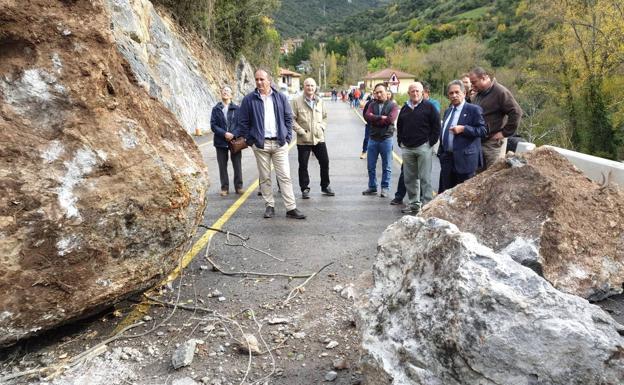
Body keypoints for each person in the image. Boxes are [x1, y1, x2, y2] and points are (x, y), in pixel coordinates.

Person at [237, 69, 306, 219]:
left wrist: (287, 138)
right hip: (260, 145)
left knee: (285, 176)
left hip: (279, 143)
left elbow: (289, 119)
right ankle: (269, 206)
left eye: (262, 79)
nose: (259, 82)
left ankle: (291, 208)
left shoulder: (280, 97)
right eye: (257, 80)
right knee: (265, 177)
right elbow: (243, 122)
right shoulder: (249, 100)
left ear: (269, 81)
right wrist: (251, 141)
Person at [396, 82, 440, 214]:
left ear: (422, 92)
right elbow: (399, 126)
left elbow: (436, 126)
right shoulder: (405, 108)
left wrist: (430, 143)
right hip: (407, 148)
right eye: (412, 91)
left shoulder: (429, 107)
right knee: (409, 178)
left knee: (425, 178)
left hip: (423, 147)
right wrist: (400, 142)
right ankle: (414, 204)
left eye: (417, 91)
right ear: (409, 93)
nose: (415, 93)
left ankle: (427, 206)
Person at [437, 80, 487, 193]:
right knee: (446, 194)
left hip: (465, 161)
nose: (454, 95)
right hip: (447, 159)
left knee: (463, 196)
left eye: (457, 92)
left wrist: (464, 129)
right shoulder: (448, 111)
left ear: (464, 93)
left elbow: (483, 130)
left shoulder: (473, 110)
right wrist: (441, 153)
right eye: (451, 93)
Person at [469, 67, 523, 169]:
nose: (472, 85)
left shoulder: (500, 92)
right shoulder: (479, 94)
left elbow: (516, 112)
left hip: (492, 145)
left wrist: (504, 133)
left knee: (492, 175)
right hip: (478, 142)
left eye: (474, 82)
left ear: (484, 78)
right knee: (476, 179)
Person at [291, 78, 335, 199]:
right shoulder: (296, 101)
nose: (310, 88)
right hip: (303, 139)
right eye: (307, 85)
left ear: (315, 87)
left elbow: (325, 117)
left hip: (318, 138)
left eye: (312, 85)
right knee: (303, 165)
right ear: (303, 86)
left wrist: (322, 127)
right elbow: (291, 119)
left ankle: (325, 186)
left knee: (325, 162)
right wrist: (300, 131)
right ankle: (304, 188)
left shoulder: (320, 101)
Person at [362, 83, 399, 197]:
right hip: (373, 139)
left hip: (386, 139)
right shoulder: (371, 104)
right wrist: (380, 117)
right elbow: (367, 117)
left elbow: (390, 120)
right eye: (376, 92)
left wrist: (375, 119)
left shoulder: (393, 105)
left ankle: (385, 188)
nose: (378, 94)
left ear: (386, 93)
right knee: (370, 166)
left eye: (381, 92)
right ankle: (372, 187)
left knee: (387, 166)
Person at [210, 85, 243, 196]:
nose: (225, 92)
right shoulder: (216, 109)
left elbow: (240, 125)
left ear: (231, 95)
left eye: (228, 91)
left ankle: (239, 187)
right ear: (221, 93)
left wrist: (233, 134)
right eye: (224, 91)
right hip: (220, 141)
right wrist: (224, 134)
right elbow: (213, 126)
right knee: (222, 166)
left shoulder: (237, 109)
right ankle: (224, 188)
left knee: (237, 164)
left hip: (235, 141)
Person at [360, 93, 373, 159]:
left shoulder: (384, 103)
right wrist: (368, 121)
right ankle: (364, 152)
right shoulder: (370, 102)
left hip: (380, 126)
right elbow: (365, 113)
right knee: (367, 138)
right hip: (370, 124)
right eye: (376, 93)